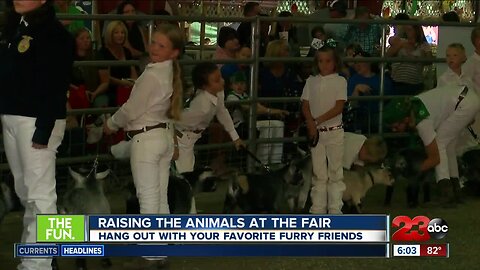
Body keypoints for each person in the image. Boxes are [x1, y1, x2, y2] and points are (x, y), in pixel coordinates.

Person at [0, 1, 74, 269]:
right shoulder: (14, 28)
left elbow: (56, 85)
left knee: (41, 195)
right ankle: (37, 255)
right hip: (13, 116)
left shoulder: (55, 35)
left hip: (36, 120)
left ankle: (38, 263)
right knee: (26, 191)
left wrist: (43, 130)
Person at [103, 23, 184, 268]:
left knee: (148, 198)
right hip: (162, 136)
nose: (154, 48)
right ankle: (160, 252)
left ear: (174, 52)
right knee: (159, 197)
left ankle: (150, 256)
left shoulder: (152, 75)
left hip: (146, 139)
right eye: (154, 42)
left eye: (162, 45)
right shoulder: (169, 72)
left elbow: (131, 109)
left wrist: (110, 123)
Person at [383, 84, 480, 207]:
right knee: (448, 145)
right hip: (466, 99)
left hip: (463, 103)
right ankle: (456, 191)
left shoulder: (422, 122)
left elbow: (435, 158)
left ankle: (446, 194)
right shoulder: (414, 106)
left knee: (440, 142)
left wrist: (413, 174)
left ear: (406, 119)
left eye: (395, 125)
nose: (394, 130)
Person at [301, 39, 347, 214]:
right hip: (317, 133)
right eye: (320, 61)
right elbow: (305, 104)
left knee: (335, 171)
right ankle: (317, 209)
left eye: (328, 61)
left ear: (335, 62)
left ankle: (335, 209)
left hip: (334, 131)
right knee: (319, 173)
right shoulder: (311, 81)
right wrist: (311, 123)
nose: (324, 65)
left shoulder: (340, 81)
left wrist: (316, 121)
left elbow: (339, 107)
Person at [175, 62, 245, 174]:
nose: (222, 81)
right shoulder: (201, 106)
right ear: (204, 86)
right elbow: (175, 122)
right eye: (216, 80)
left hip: (191, 137)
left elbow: (222, 111)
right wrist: (174, 143)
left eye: (220, 77)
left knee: (185, 172)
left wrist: (235, 137)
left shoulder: (219, 92)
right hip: (180, 137)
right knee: (185, 173)